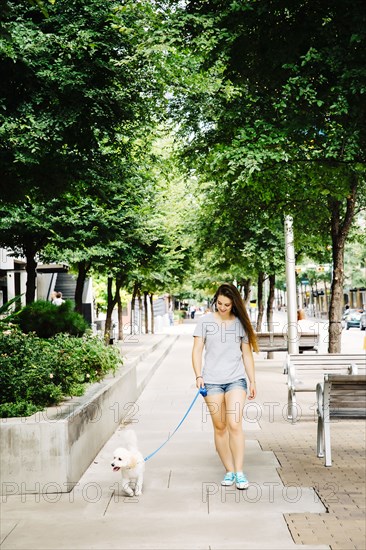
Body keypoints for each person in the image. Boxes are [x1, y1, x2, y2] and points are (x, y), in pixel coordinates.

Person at [192, 283, 258, 490]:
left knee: (235, 424)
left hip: (235, 380)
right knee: (220, 427)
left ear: (234, 304)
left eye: (227, 305)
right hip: (211, 381)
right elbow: (196, 351)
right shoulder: (204, 323)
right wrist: (198, 375)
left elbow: (246, 354)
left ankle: (239, 472)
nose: (222, 307)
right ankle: (229, 470)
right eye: (219, 303)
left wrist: (252, 380)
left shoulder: (240, 324)